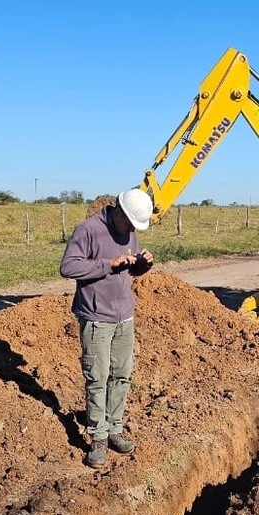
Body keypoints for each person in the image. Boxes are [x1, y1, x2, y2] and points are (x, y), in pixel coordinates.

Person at [59, 188, 155, 468]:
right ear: (119, 212)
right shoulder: (88, 231)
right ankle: (98, 437)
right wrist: (106, 264)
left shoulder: (130, 231)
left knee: (121, 376)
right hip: (96, 317)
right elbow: (68, 267)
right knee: (97, 378)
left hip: (124, 316)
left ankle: (114, 429)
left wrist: (142, 265)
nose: (131, 231)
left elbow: (128, 269)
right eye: (129, 223)